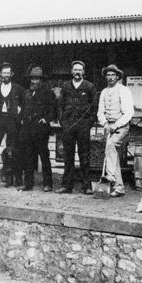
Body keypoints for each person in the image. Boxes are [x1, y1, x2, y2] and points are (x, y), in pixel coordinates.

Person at [56, 61, 96, 194]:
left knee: (84, 156)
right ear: (71, 71)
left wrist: (89, 123)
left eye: (80, 70)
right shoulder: (66, 86)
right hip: (69, 126)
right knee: (68, 156)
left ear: (84, 72)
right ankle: (67, 185)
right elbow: (60, 105)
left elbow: (94, 107)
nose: (77, 72)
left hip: (83, 126)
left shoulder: (89, 86)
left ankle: (87, 186)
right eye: (75, 70)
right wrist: (63, 122)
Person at [0, 62, 25, 187]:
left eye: (8, 73)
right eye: (4, 73)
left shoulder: (18, 88)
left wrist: (20, 114)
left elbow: (25, 103)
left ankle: (8, 174)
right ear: (0, 74)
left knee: (11, 149)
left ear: (11, 74)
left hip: (12, 121)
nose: (6, 75)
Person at [96, 64, 133, 198]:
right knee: (113, 156)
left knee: (111, 146)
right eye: (108, 75)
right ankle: (119, 188)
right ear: (105, 77)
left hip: (121, 127)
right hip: (109, 127)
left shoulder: (124, 91)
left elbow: (128, 113)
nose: (110, 77)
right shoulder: (104, 92)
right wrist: (105, 123)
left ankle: (110, 176)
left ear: (118, 77)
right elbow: (100, 112)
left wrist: (116, 125)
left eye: (113, 75)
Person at [18, 66, 56, 192]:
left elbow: (53, 110)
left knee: (44, 157)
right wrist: (22, 119)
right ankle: (28, 184)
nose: (34, 81)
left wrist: (46, 119)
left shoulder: (48, 93)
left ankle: (48, 183)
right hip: (28, 129)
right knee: (28, 157)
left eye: (37, 79)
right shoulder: (26, 93)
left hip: (40, 130)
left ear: (42, 80)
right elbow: (22, 109)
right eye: (32, 79)